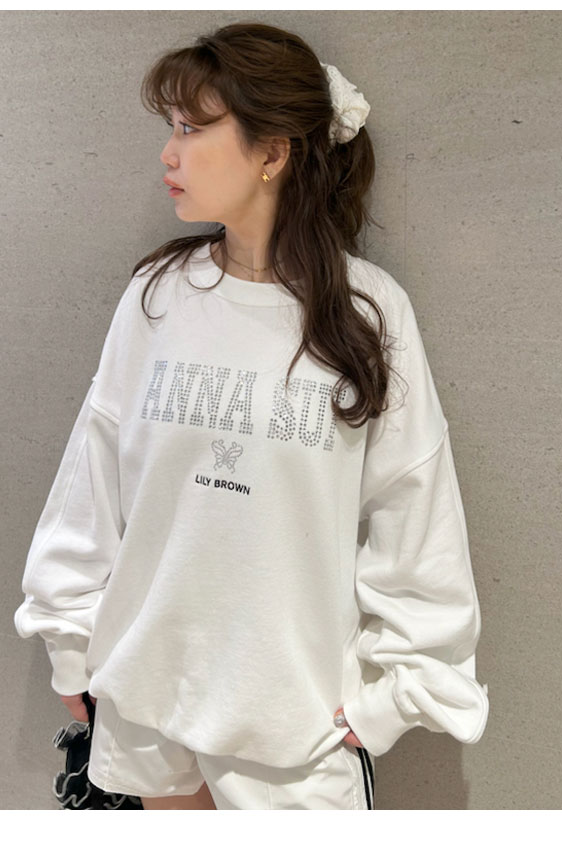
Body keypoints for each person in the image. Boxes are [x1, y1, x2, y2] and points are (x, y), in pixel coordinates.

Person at [13, 22, 489, 810]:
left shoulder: (366, 313)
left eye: (191, 129)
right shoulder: (158, 297)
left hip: (295, 731)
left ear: (273, 153)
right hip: (149, 704)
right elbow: (93, 478)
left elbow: (416, 510)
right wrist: (70, 637)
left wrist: (394, 697)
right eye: (171, 128)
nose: (168, 154)